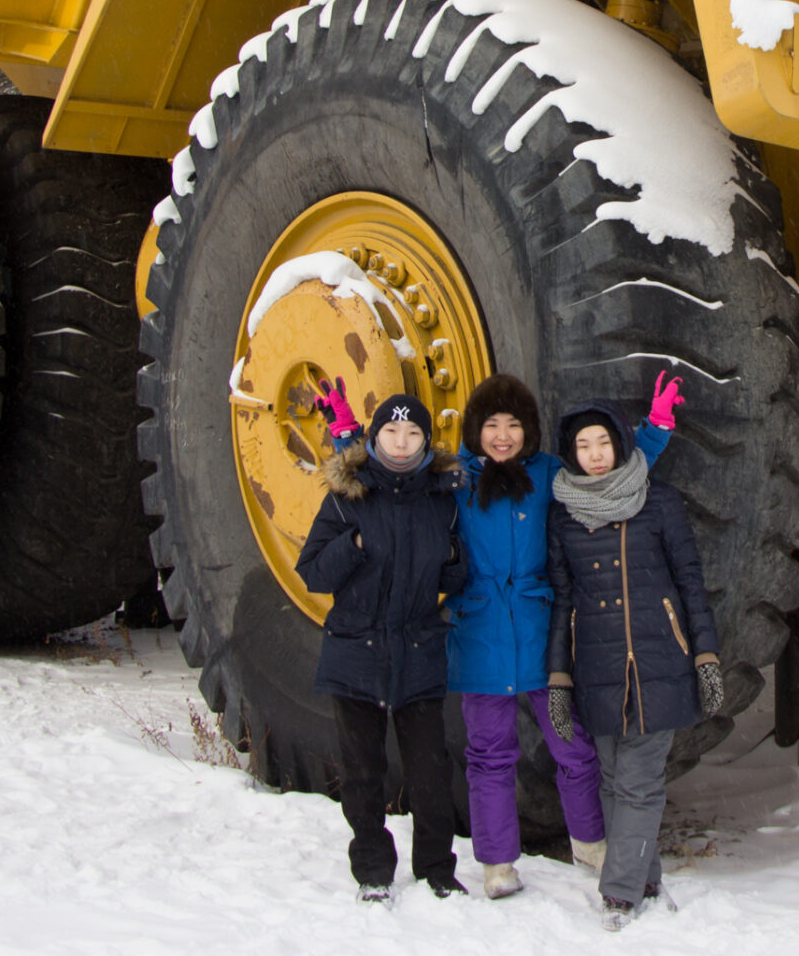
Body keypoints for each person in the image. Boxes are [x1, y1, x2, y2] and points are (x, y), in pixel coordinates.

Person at [451, 371, 682, 900]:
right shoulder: (457, 482)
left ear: (528, 430)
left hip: (542, 636)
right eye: (491, 425)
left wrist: (656, 430)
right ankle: (497, 863)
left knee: (574, 748)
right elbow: (396, 480)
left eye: (513, 424)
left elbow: (609, 474)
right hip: (481, 637)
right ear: (475, 431)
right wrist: (348, 441)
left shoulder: (550, 475)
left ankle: (589, 842)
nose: (503, 435)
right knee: (489, 755)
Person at [544, 399, 723, 929]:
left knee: (641, 781)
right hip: (597, 667)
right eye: (583, 446)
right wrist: (559, 677)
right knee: (611, 778)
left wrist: (707, 655)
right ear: (570, 455)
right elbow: (563, 600)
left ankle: (620, 893)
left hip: (658, 660)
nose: (595, 455)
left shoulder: (658, 501)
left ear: (620, 444)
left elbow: (690, 581)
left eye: (602, 443)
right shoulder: (564, 515)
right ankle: (645, 878)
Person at [296, 388, 468, 902]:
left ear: (426, 440)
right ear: (375, 438)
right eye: (391, 432)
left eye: (413, 433)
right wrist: (352, 547)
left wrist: (453, 559)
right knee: (363, 772)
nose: (401, 443)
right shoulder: (347, 497)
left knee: (431, 771)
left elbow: (457, 573)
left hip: (417, 650)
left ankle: (438, 869)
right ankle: (372, 869)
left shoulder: (441, 499)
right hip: (357, 652)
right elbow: (312, 573)